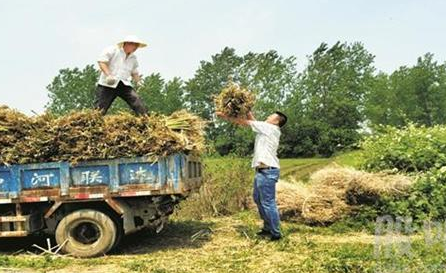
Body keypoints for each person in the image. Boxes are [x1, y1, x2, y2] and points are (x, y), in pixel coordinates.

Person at [216, 110, 287, 241]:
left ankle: (276, 233)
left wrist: (225, 116)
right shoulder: (266, 128)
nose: (267, 116)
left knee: (268, 202)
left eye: (270, 116)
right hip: (262, 171)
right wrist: (247, 109)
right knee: (258, 199)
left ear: (276, 121)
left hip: (267, 171)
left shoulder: (270, 128)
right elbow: (253, 121)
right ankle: (267, 228)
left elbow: (244, 122)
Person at [95, 35, 148, 115]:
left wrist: (138, 81)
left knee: (136, 101)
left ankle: (146, 119)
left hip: (123, 84)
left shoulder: (133, 58)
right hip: (108, 84)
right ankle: (93, 122)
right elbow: (102, 62)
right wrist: (108, 75)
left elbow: (134, 72)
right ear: (127, 44)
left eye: (137, 46)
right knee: (100, 108)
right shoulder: (113, 50)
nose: (136, 48)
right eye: (135, 45)